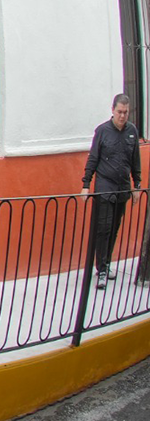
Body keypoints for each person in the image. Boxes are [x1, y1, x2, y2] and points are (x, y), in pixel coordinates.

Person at [81, 93, 141, 291]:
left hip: (122, 187)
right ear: (113, 110)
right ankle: (102, 269)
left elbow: (135, 160)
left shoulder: (132, 131)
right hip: (105, 187)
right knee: (103, 228)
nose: (122, 116)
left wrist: (137, 186)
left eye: (126, 112)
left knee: (114, 228)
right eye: (119, 112)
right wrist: (86, 184)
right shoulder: (102, 131)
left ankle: (106, 264)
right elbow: (93, 158)